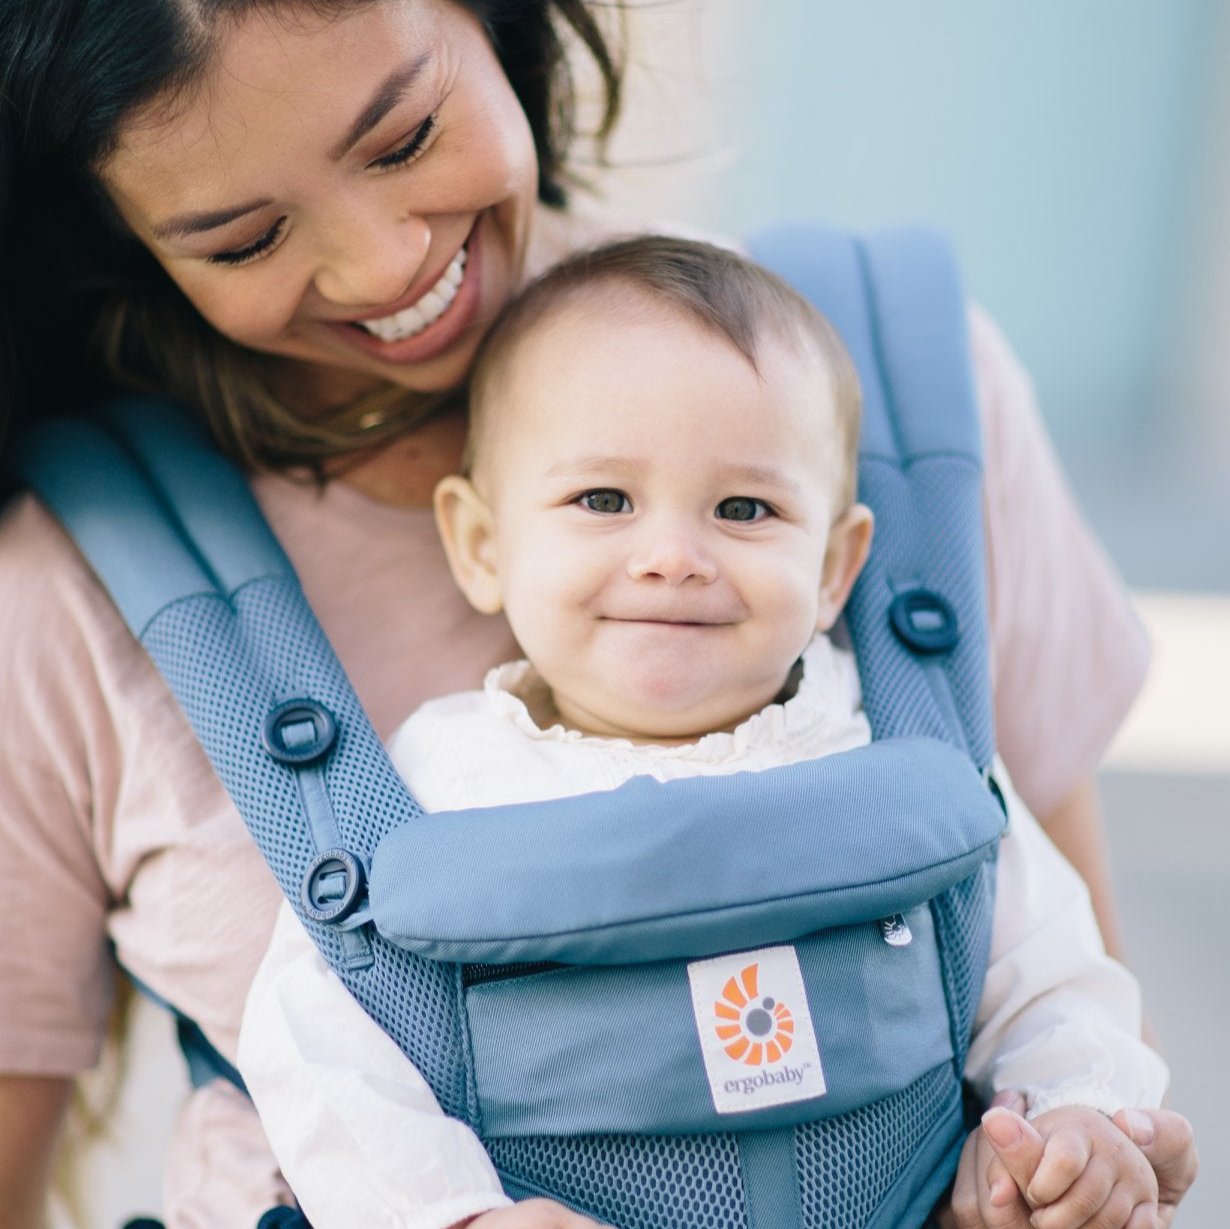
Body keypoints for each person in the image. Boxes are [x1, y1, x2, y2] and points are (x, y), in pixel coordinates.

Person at [0, 2, 1197, 1226]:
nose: (382, 263)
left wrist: (1069, 1142)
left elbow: (1055, 981)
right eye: (247, 238)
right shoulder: (73, 591)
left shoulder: (893, 410)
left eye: (405, 137)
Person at [237, 234, 1169, 1229]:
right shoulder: (438, 781)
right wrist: (448, 1212)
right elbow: (315, 1038)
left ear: (833, 568)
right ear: (481, 543)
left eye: (744, 506)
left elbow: (1049, 966)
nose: (673, 555)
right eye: (603, 499)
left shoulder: (894, 746)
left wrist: (1078, 1112)